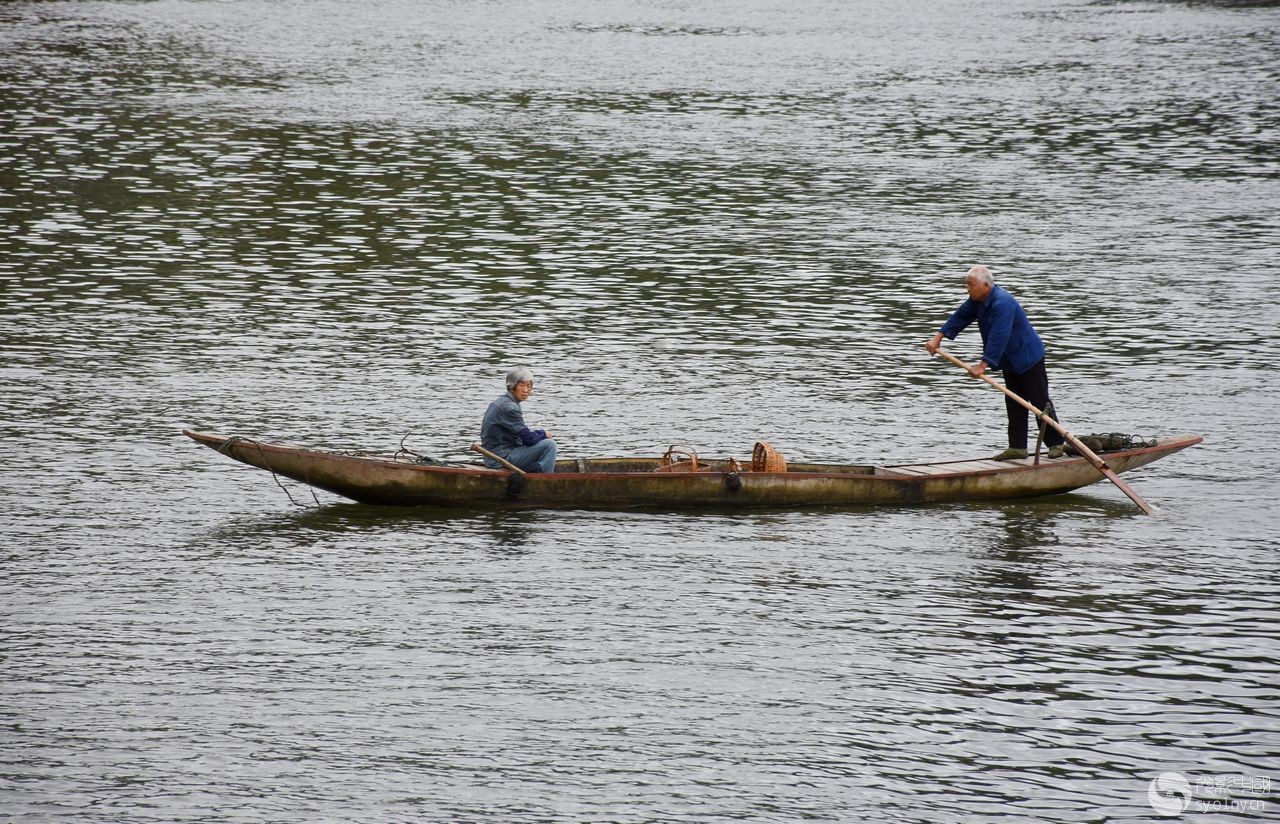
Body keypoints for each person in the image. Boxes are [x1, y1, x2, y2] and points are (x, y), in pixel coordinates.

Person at [925, 265, 1066, 461]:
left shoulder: (1002, 303)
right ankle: (1017, 447)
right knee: (1014, 401)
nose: (968, 289)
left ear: (986, 285)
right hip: (1009, 359)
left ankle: (1056, 443)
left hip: (1028, 357)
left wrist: (982, 365)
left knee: (1039, 401)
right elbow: (961, 316)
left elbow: (999, 336)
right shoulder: (977, 300)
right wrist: (938, 337)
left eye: (971, 285)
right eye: (967, 285)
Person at [480, 367, 558, 473]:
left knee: (540, 445)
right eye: (522, 385)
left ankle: (537, 468)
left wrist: (538, 437)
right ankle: (546, 480)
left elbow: (522, 438)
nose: (526, 390)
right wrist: (544, 434)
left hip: (494, 456)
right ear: (512, 386)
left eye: (528, 386)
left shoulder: (502, 402)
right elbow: (528, 439)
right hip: (500, 458)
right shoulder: (510, 407)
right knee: (550, 445)